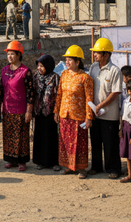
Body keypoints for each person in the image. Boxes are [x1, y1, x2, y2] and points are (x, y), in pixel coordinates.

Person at [54, 45, 93, 178]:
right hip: (65, 114)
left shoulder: (85, 78)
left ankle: (81, 168)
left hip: (79, 116)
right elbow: (59, 94)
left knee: (80, 143)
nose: (67, 62)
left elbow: (89, 99)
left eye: (70, 60)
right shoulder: (64, 74)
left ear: (78, 62)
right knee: (65, 142)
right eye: (67, 59)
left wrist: (89, 117)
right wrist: (56, 111)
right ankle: (69, 166)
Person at [88, 37, 123, 179]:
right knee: (95, 141)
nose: (94, 55)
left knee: (110, 143)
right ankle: (96, 166)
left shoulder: (115, 71)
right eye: (94, 52)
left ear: (106, 55)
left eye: (97, 53)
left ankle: (113, 168)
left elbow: (115, 92)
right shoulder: (93, 68)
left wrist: (101, 105)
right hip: (95, 113)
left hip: (109, 114)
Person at [0, 40, 33, 171]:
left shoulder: (25, 71)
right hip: (7, 109)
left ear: (19, 55)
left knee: (21, 136)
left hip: (21, 109)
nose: (10, 57)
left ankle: (22, 161)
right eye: (8, 54)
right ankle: (10, 160)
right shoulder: (4, 70)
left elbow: (30, 93)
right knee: (8, 135)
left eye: (12, 54)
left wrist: (29, 110)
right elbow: (1, 89)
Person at [32, 54, 59, 170]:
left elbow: (59, 95)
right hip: (38, 113)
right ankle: (40, 161)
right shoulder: (35, 77)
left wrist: (57, 111)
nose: (39, 68)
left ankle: (54, 163)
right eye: (38, 66)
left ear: (48, 66)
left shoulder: (55, 77)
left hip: (51, 113)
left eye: (42, 66)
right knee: (39, 137)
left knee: (51, 137)